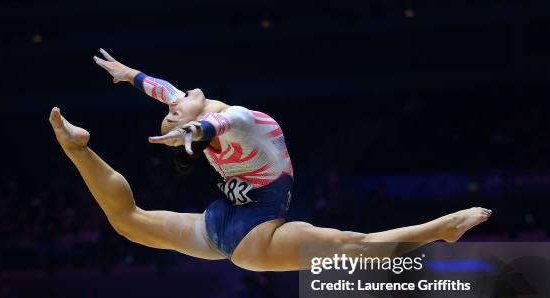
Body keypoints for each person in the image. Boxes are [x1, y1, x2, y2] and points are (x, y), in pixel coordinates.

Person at [48, 48, 492, 272]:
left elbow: (171, 95)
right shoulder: (226, 119)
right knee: (126, 221)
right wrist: (192, 130)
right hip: (244, 232)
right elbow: (213, 124)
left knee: (128, 220)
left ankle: (443, 229)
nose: (174, 103)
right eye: (173, 113)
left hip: (236, 225)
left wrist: (134, 77)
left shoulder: (207, 112)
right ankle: (77, 148)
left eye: (174, 110)